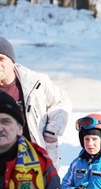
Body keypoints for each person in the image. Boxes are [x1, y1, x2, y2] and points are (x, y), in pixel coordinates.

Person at [0, 37, 72, 170]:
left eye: (1, 59)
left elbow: (62, 101)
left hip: (38, 160)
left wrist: (52, 132)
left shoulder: (35, 82)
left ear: (12, 61)